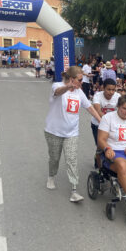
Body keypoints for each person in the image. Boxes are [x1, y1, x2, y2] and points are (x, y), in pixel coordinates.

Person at [44, 66, 101, 202]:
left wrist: (101, 121)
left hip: (71, 133)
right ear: (71, 79)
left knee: (72, 160)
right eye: (80, 80)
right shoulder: (57, 86)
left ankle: (74, 190)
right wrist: (68, 86)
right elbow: (57, 92)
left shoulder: (79, 93)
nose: (82, 83)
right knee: (54, 158)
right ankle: (51, 176)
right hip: (54, 132)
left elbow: (90, 108)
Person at [91, 78, 121, 168]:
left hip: (113, 126)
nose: (111, 92)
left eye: (113, 90)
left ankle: (110, 164)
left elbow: (121, 111)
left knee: (111, 145)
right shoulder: (97, 96)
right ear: (103, 88)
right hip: (98, 125)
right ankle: (99, 164)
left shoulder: (118, 96)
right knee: (100, 147)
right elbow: (98, 112)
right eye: (108, 89)